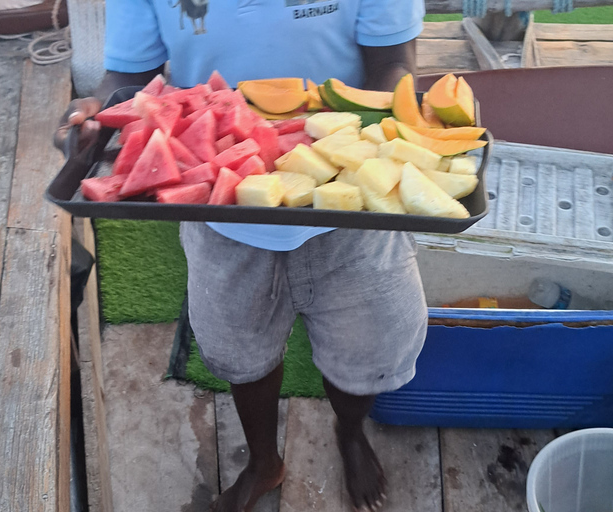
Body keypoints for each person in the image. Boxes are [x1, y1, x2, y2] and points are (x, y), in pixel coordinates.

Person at [55, 2, 428, 511]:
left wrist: (405, 113)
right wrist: (95, 109)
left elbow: (392, 62)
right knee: (239, 352)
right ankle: (262, 461)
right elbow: (129, 76)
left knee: (368, 353)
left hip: (350, 189)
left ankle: (350, 431)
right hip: (219, 203)